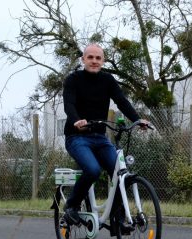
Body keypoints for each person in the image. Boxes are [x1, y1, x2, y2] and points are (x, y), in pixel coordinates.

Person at [62, 43, 146, 224]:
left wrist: (137, 120)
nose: (94, 61)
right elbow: (69, 104)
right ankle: (71, 206)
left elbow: (122, 101)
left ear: (103, 61)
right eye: (90, 57)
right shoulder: (73, 80)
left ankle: (117, 213)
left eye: (98, 58)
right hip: (77, 137)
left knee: (119, 173)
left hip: (100, 138)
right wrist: (76, 120)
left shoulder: (107, 80)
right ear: (83, 59)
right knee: (92, 170)